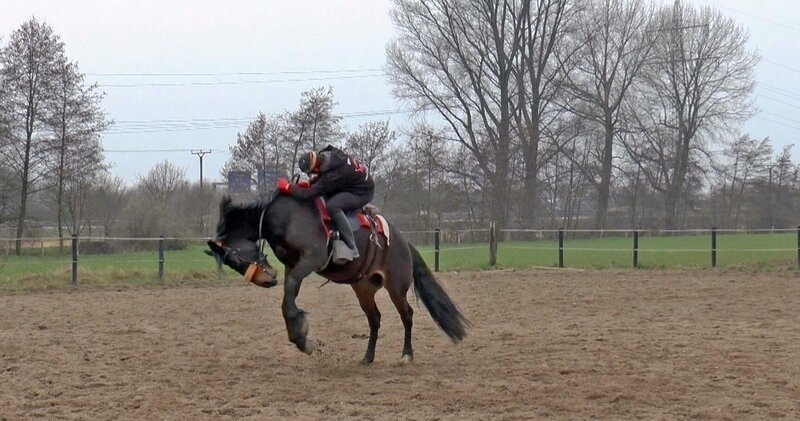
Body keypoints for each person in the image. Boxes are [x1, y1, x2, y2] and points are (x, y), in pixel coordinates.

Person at [277, 144, 374, 261]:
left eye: (312, 172)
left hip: (362, 192)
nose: (314, 174)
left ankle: (351, 246)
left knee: (333, 206)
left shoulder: (333, 175)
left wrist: (289, 187)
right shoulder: (328, 152)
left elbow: (309, 194)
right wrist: (310, 183)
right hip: (353, 182)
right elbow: (322, 176)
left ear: (315, 167)